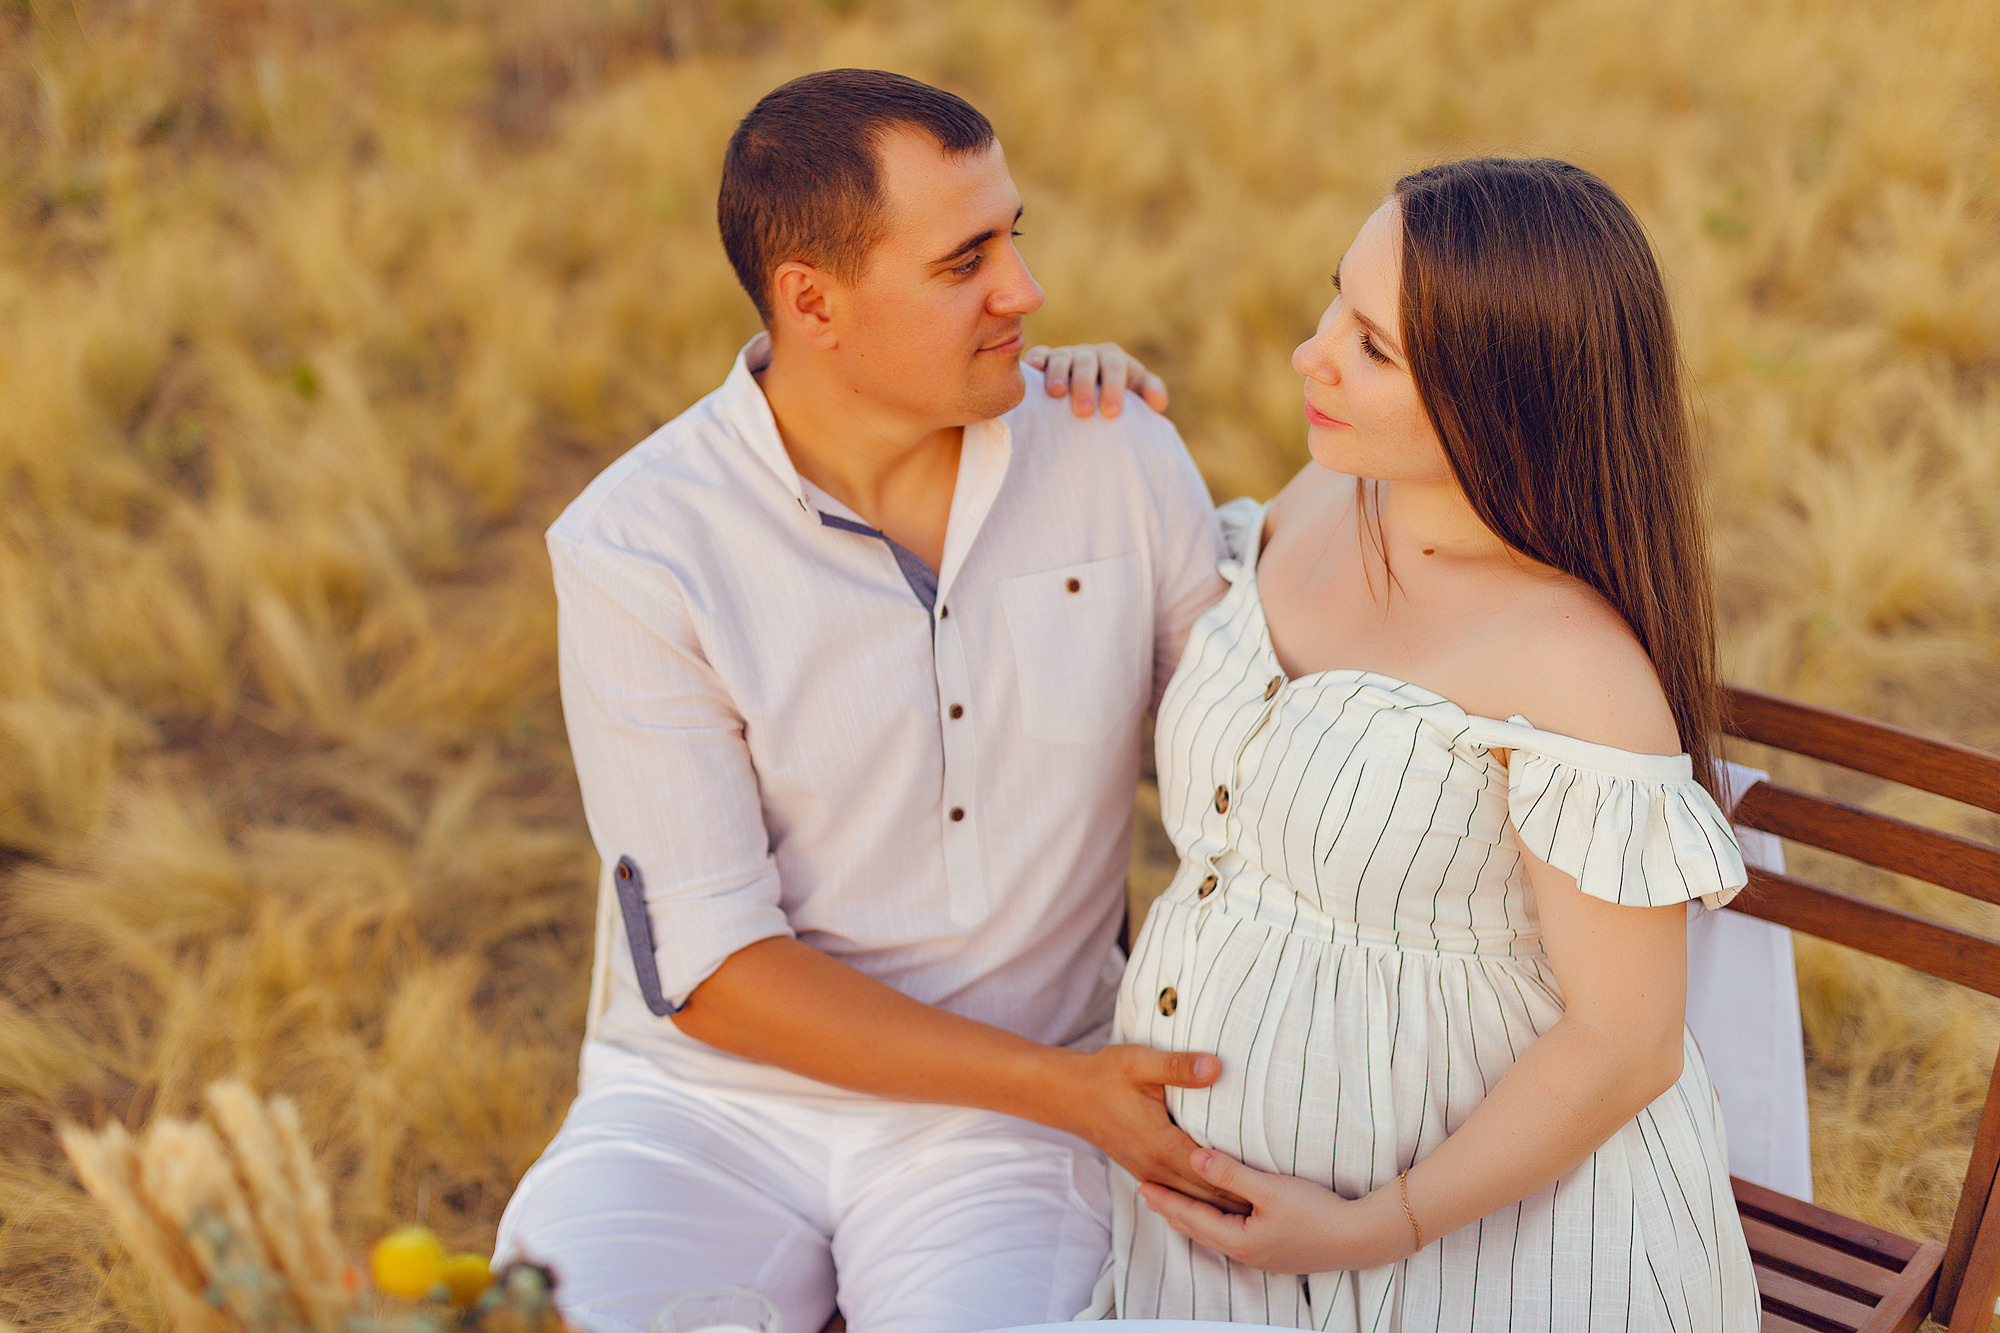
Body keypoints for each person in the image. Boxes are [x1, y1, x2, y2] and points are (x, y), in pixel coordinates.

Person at [491, 69, 1235, 1333]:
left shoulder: (1113, 450)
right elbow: (717, 972)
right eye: (964, 262)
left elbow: (1254, 758)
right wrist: (1067, 1088)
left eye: (1012, 236)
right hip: (702, 1112)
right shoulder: (637, 546)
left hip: (1005, 1131)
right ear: (811, 302)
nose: (1024, 290)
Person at [1086, 157, 1763, 1330]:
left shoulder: (1567, 665)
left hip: (1472, 1256)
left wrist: (1369, 1227)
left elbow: (1624, 1043)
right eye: (1333, 304)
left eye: (1372, 348)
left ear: (1501, 397)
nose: (1307, 355)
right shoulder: (1319, 498)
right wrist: (1071, 409)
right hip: (1200, 1238)